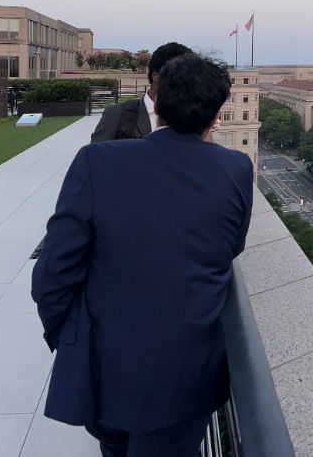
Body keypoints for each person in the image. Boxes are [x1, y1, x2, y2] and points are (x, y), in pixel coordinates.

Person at [35, 55, 251, 457]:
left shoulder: (97, 161)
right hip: (187, 374)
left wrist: (65, 337)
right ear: (216, 112)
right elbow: (231, 246)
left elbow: (53, 271)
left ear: (158, 100)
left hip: (105, 365)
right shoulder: (235, 168)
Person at [89, 42, 194, 142]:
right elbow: (94, 157)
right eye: (180, 75)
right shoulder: (117, 115)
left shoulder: (192, 118)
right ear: (156, 76)